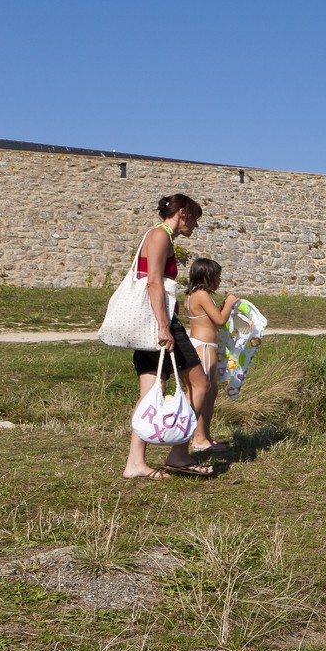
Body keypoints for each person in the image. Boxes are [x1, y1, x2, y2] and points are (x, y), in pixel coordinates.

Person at [123, 194, 213, 480]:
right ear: (183, 213)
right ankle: (179, 453)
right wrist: (164, 325)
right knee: (200, 384)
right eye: (195, 218)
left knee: (151, 394)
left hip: (146, 323)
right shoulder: (161, 236)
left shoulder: (151, 235)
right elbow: (152, 282)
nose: (196, 226)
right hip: (160, 322)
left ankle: (135, 462)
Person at [181, 258, 239, 455]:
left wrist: (221, 306)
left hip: (204, 346)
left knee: (210, 392)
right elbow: (220, 320)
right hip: (204, 347)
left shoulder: (192, 294)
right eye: (217, 276)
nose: (219, 281)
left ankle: (203, 435)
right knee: (205, 392)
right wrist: (230, 303)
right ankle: (199, 438)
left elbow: (211, 318)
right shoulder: (202, 294)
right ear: (207, 276)